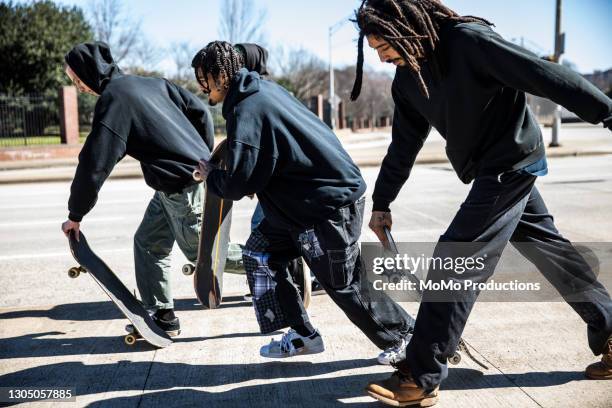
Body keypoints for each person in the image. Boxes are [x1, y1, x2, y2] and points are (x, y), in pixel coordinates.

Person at [350, 0, 612, 406]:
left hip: (512, 162)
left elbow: (543, 75)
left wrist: (606, 112)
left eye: (386, 48)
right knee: (552, 252)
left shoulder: (469, 41)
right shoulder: (408, 80)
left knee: (455, 257)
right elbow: (403, 144)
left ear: (407, 28)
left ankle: (420, 375)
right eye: (377, 53)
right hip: (488, 169)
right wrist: (382, 201)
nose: (384, 59)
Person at [191, 40, 415, 361]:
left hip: (325, 205)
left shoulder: (248, 108)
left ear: (219, 76)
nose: (202, 88)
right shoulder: (264, 92)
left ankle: (408, 337)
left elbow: (240, 182)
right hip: (299, 207)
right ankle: (301, 335)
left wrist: (211, 175)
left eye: (204, 80)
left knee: (344, 283)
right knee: (259, 254)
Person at [60, 41, 267, 337]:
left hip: (183, 188)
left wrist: (75, 213)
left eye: (76, 80)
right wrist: (200, 153)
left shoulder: (114, 100)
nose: (79, 87)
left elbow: (94, 162)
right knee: (148, 243)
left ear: (88, 73)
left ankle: (280, 263)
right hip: (170, 186)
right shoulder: (153, 83)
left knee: (205, 256)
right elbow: (200, 112)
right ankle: (162, 315)